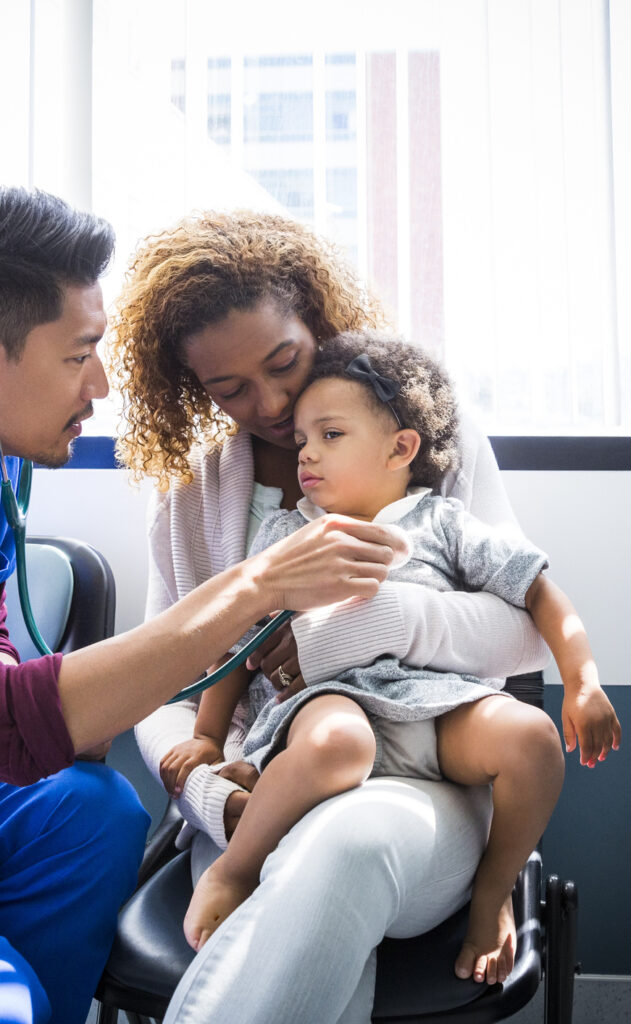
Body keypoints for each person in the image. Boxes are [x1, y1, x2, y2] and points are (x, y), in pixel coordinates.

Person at [0, 184, 400, 1024]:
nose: (103, 382)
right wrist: (258, 585)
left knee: (93, 815)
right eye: (79, 352)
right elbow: (1, 726)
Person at [110, 209, 559, 1024]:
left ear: (318, 318)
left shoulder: (421, 441)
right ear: (191, 390)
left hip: (425, 780)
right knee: (316, 915)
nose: (273, 402)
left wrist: (376, 621)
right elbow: (162, 683)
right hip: (267, 785)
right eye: (229, 389)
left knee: (346, 844)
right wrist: (215, 796)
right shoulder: (193, 496)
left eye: (285, 361)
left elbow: (523, 629)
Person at [172, 329, 621, 983]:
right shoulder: (288, 534)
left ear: (400, 448)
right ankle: (233, 869)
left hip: (435, 711)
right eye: (300, 440)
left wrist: (581, 682)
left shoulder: (443, 524)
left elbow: (540, 594)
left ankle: (491, 896)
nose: (305, 455)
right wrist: (208, 737)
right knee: (337, 745)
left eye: (329, 435)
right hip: (328, 705)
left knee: (530, 737)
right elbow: (240, 643)